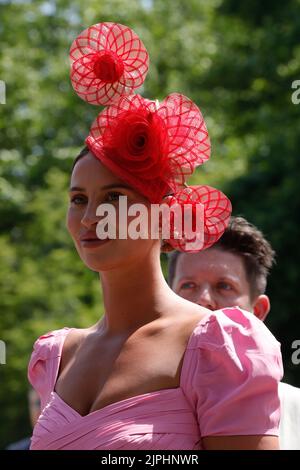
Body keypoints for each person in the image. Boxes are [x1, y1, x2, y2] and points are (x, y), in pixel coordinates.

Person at [28, 22, 282, 450]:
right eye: (77, 199)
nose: (91, 216)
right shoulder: (54, 356)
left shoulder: (220, 345)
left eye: (114, 198)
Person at [169, 215, 300, 450]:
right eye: (188, 285)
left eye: (224, 286)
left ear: (258, 311)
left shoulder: (295, 410)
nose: (203, 300)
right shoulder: (128, 401)